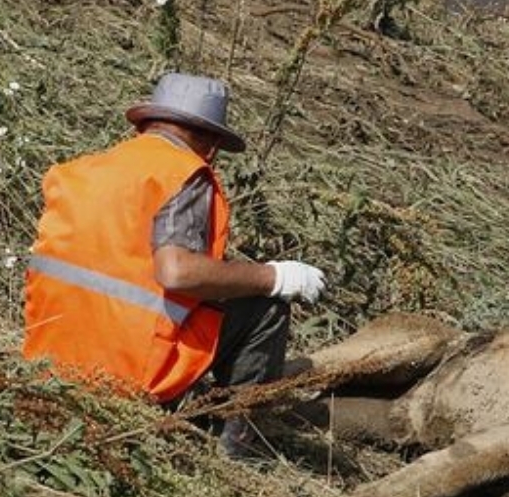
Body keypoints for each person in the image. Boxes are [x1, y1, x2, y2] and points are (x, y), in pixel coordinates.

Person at [23, 72, 326, 456]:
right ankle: (239, 453)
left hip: (50, 361)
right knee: (266, 307)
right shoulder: (183, 173)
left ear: (146, 124)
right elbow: (177, 272)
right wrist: (273, 276)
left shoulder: (82, 169)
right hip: (129, 373)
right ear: (213, 143)